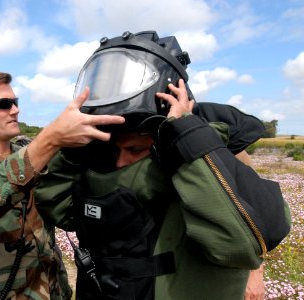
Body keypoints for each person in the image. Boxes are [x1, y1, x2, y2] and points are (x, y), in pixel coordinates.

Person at [33, 31, 291, 299]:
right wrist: (71, 151)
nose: (121, 161)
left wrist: (188, 137)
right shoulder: (102, 162)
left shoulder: (213, 154)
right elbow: (62, 211)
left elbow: (241, 244)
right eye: (116, 149)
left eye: (134, 150)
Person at [0, 71, 125, 300]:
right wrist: (50, 139)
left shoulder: (31, 152)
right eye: (3, 104)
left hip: (53, 290)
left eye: (15, 102)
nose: (15, 110)